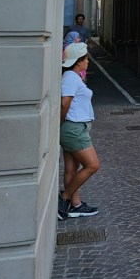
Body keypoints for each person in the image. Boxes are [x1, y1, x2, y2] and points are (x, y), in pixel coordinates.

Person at [57, 42, 100, 219]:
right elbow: (64, 104)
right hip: (73, 129)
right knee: (92, 165)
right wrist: (61, 124)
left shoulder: (72, 76)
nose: (88, 61)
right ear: (78, 61)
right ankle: (65, 198)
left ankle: (75, 205)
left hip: (72, 128)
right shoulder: (70, 78)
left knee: (71, 168)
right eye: (86, 58)